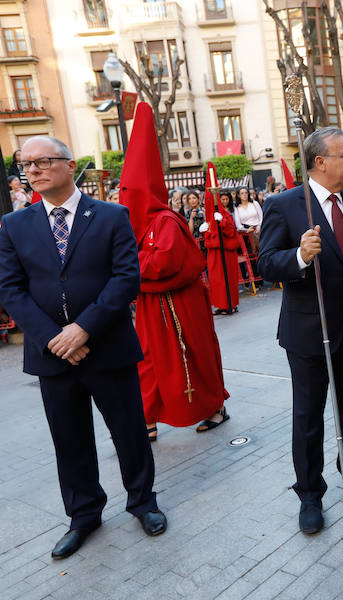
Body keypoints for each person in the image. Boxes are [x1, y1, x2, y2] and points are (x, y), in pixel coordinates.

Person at [0, 135, 166, 560]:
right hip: (51, 354)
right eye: (26, 165)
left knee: (129, 431)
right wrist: (56, 339)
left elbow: (126, 278)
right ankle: (84, 514)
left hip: (107, 347)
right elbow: (11, 289)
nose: (32, 170)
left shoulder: (111, 216)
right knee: (69, 439)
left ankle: (143, 501)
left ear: (70, 165)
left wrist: (83, 329)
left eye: (42, 162)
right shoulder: (17, 226)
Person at [258, 127, 343, 534]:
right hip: (307, 330)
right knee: (309, 415)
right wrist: (299, 256)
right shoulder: (284, 205)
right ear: (320, 162)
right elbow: (266, 264)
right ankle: (310, 493)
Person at [121, 102, 230, 442]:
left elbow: (165, 263)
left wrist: (127, 266)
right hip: (152, 306)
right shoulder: (136, 226)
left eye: (129, 193)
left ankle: (215, 407)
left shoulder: (165, 221)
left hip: (179, 304)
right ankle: (148, 416)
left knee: (193, 354)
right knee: (148, 361)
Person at [201, 189, 240, 315]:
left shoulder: (226, 214)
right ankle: (220, 305)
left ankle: (231, 304)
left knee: (228, 277)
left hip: (226, 251)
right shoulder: (210, 215)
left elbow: (231, 231)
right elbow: (210, 234)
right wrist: (206, 230)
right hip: (214, 251)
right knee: (216, 279)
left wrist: (222, 222)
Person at [234, 185, 262, 254]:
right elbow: (238, 225)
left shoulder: (254, 203)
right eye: (242, 193)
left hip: (258, 227)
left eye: (246, 193)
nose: (244, 195)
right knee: (252, 234)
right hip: (246, 230)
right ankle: (258, 252)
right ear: (238, 195)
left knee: (256, 234)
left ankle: (258, 252)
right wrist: (247, 230)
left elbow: (261, 217)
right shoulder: (237, 208)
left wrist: (259, 226)